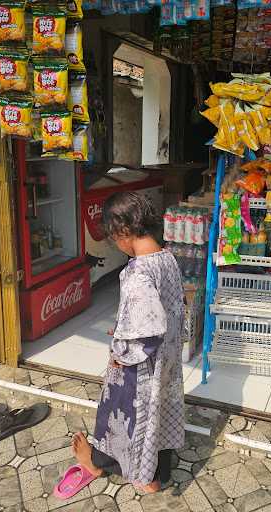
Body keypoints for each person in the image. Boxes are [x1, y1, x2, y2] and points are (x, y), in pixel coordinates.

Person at [71, 192, 185, 493]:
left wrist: (122, 350)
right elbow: (167, 312)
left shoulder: (137, 273)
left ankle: (103, 465)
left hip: (142, 367)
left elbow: (149, 328)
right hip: (167, 360)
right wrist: (124, 329)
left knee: (119, 413)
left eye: (112, 236)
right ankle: (155, 471)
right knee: (159, 411)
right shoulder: (167, 258)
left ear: (123, 232)